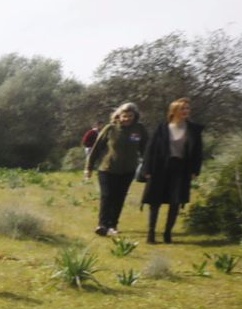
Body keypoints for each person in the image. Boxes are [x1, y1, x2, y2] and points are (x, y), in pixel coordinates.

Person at [141, 97, 204, 244]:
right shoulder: (163, 128)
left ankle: (167, 233)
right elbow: (150, 149)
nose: (186, 111)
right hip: (160, 167)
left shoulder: (193, 129)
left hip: (181, 169)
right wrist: (147, 168)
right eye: (182, 108)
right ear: (174, 111)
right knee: (154, 201)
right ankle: (151, 233)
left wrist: (195, 170)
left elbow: (198, 152)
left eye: (187, 109)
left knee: (175, 201)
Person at [84, 102, 146, 236]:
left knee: (119, 197)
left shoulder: (139, 129)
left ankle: (113, 225)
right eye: (124, 116)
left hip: (128, 171)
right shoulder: (110, 129)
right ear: (118, 116)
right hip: (107, 169)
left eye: (130, 116)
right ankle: (102, 225)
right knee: (107, 196)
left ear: (135, 116)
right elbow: (96, 149)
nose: (127, 119)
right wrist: (89, 168)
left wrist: (148, 166)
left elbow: (145, 149)